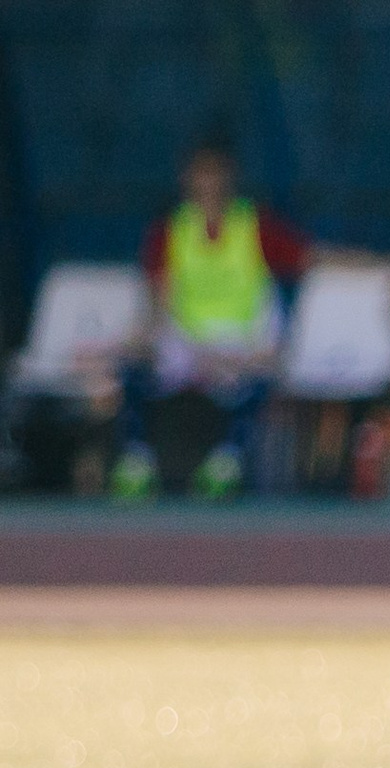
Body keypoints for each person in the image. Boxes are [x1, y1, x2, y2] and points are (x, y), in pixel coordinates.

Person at [112, 138, 314, 500]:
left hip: (239, 344)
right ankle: (136, 462)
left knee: (262, 377)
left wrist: (378, 264)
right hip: (186, 344)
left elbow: (310, 258)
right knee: (133, 370)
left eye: (214, 173)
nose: (207, 183)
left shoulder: (255, 225)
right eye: (199, 173)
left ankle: (226, 463)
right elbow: (159, 304)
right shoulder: (169, 231)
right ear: (186, 178)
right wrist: (142, 343)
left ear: (229, 177)